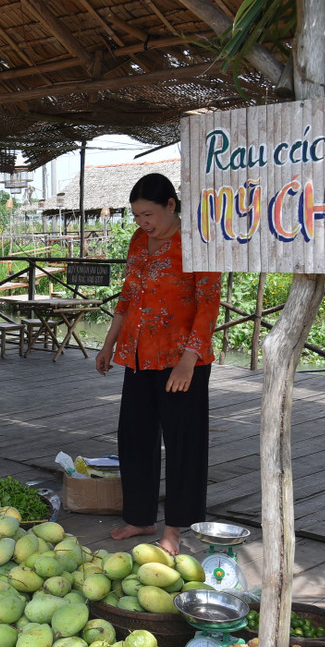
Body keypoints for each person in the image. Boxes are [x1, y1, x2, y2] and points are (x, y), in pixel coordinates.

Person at [96, 173, 220, 557]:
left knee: (184, 445)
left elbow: (208, 304)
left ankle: (175, 529)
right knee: (134, 437)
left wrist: (189, 360)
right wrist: (109, 342)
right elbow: (129, 294)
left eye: (148, 214)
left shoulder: (200, 240)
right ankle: (140, 516)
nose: (142, 223)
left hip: (181, 359)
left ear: (171, 205)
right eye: (136, 216)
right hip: (137, 354)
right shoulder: (138, 241)